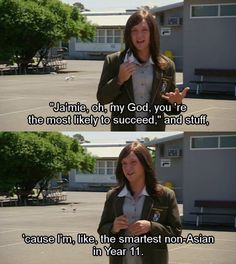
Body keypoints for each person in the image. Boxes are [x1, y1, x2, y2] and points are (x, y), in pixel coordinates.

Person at [97, 9, 189, 131]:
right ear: (129, 34)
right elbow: (102, 99)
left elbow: (169, 109)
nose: (139, 35)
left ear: (152, 33)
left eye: (144, 30)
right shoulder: (114, 61)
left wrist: (176, 104)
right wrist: (119, 80)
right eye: (134, 30)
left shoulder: (167, 66)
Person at [97, 141, 182, 264]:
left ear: (145, 164)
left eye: (133, 162)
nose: (128, 168)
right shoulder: (113, 196)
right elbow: (102, 229)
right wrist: (113, 228)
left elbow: (175, 232)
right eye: (124, 164)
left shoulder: (166, 195)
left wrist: (151, 227)